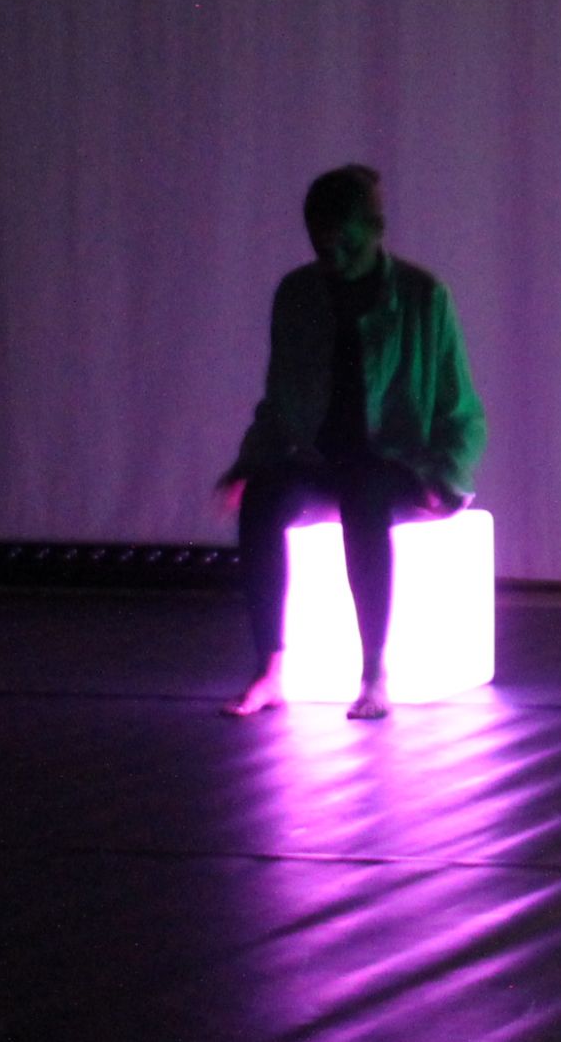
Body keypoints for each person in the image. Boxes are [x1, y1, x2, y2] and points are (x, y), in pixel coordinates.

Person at [218, 165, 486, 720]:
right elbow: (279, 399)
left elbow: (462, 410)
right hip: (321, 458)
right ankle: (270, 666)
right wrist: (249, 464)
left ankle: (373, 671)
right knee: (265, 497)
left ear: (374, 228)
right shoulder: (297, 295)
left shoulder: (423, 297)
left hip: (395, 460)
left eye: (343, 240)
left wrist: (443, 477)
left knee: (364, 490)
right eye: (319, 240)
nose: (330, 253)